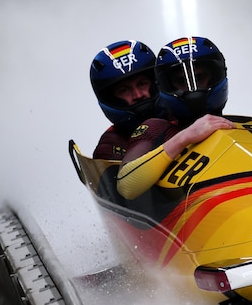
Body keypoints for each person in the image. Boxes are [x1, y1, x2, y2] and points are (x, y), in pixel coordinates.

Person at [116, 36, 234, 200]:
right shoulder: (156, 127)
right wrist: (185, 137)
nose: (193, 90)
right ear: (166, 86)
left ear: (215, 77)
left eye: (199, 78)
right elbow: (126, 186)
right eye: (181, 81)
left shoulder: (244, 125)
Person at [89, 39, 162, 160]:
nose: (138, 95)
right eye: (124, 90)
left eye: (142, 84)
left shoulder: (182, 116)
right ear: (111, 99)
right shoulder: (109, 146)